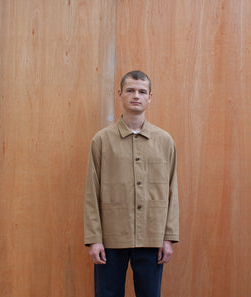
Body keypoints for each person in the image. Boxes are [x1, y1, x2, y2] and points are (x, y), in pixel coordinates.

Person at [84, 70, 179, 297]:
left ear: (150, 97)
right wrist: (94, 239)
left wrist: (168, 237)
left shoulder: (164, 141)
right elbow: (91, 193)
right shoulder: (102, 140)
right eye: (130, 90)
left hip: (151, 236)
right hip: (110, 238)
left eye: (142, 91)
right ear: (120, 94)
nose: (136, 95)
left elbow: (172, 191)